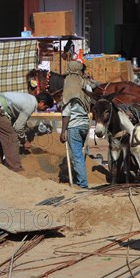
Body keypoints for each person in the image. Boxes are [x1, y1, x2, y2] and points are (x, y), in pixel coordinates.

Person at [0, 91, 54, 173]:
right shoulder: (31, 104)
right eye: (46, 107)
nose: (45, 110)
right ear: (41, 102)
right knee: (11, 137)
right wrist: (24, 141)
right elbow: (18, 128)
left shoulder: (29, 98)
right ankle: (15, 168)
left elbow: (16, 122)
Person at [59, 61, 94, 189]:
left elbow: (66, 112)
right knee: (81, 153)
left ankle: (82, 184)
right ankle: (79, 178)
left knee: (77, 156)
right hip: (85, 124)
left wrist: (63, 131)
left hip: (73, 125)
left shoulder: (69, 87)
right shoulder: (87, 85)